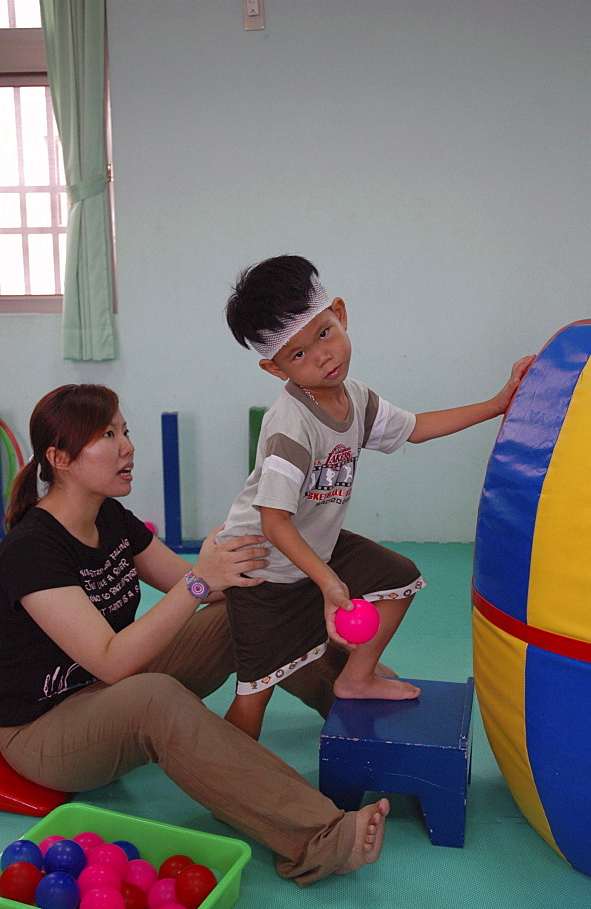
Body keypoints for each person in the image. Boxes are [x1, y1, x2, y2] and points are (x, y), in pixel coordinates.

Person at [0, 383, 390, 887]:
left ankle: (367, 714)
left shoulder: (109, 517)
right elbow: (115, 658)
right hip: (46, 730)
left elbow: (202, 588)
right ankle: (320, 839)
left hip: (111, 689)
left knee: (245, 610)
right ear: (60, 457)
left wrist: (265, 565)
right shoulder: (32, 549)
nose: (127, 445)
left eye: (125, 431)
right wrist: (201, 579)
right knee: (154, 698)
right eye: (107, 434)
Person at [217, 255, 535, 740]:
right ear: (272, 367)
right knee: (255, 689)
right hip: (265, 569)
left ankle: (356, 677)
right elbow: (273, 520)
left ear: (340, 314)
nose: (322, 357)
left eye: (323, 334)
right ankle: (228, 773)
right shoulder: (291, 425)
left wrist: (497, 403)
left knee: (398, 577)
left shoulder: (356, 398)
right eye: (297, 355)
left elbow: (417, 429)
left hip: (314, 548)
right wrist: (327, 582)